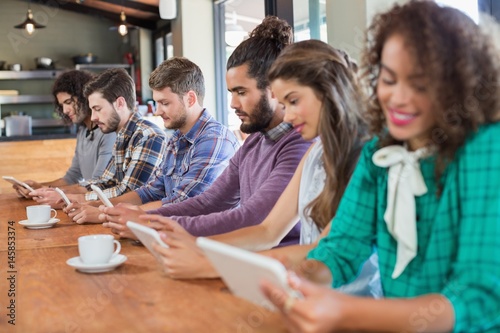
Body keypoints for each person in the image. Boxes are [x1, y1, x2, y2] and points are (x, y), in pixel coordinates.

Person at [260, 2, 500, 332]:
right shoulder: (381, 151)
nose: (397, 98)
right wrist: (297, 278)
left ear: (459, 85)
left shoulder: (487, 148)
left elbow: (477, 297)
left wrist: (344, 312)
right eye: (389, 79)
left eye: (419, 84)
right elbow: (343, 248)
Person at [147, 41, 381, 297]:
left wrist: (206, 260)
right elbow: (268, 230)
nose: (289, 116)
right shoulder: (315, 153)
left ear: (328, 91)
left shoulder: (364, 157)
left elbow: (327, 252)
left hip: (349, 305)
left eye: (293, 101)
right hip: (309, 296)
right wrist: (195, 246)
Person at [101, 16, 311, 246]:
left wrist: (149, 224)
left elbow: (250, 219)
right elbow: (209, 202)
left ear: (274, 88)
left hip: (277, 270)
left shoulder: (299, 144)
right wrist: (144, 218)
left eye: (241, 92)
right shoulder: (255, 141)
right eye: (231, 92)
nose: (232, 104)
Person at [64, 57, 239, 224]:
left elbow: (184, 203)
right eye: (156, 103)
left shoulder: (215, 139)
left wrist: (107, 213)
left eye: (164, 103)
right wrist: (98, 205)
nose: (157, 111)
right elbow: (151, 190)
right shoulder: (176, 139)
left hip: (207, 244)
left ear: (190, 99)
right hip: (175, 234)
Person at [31, 68, 168, 205]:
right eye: (92, 110)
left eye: (98, 109)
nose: (93, 117)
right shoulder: (122, 136)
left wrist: (74, 199)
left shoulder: (148, 136)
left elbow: (128, 193)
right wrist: (60, 193)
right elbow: (105, 182)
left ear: (120, 103)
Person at [13, 70, 116, 204]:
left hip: (102, 206)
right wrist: (38, 187)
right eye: (62, 105)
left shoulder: (108, 133)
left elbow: (98, 183)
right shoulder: (82, 131)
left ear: (85, 97)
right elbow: (72, 177)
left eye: (68, 102)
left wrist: (47, 192)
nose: (65, 110)